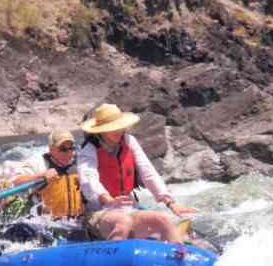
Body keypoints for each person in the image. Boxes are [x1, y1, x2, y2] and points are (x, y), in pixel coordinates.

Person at [78, 103, 197, 244]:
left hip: (127, 208)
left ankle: (178, 260)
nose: (118, 131)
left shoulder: (129, 141)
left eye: (119, 126)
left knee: (163, 219)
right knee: (123, 222)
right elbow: (88, 178)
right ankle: (116, 261)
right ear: (100, 131)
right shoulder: (89, 149)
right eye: (112, 128)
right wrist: (107, 198)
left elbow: (148, 171)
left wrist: (170, 202)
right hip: (98, 212)